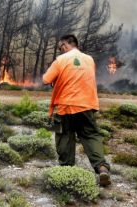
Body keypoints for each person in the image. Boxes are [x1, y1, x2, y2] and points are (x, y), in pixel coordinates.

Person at [42, 34, 111, 186]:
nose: (61, 50)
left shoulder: (61, 60)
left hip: (66, 106)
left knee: (65, 136)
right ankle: (102, 168)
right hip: (87, 105)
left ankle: (67, 172)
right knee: (91, 136)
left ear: (66, 45)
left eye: (61, 48)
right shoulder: (89, 59)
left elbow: (46, 79)